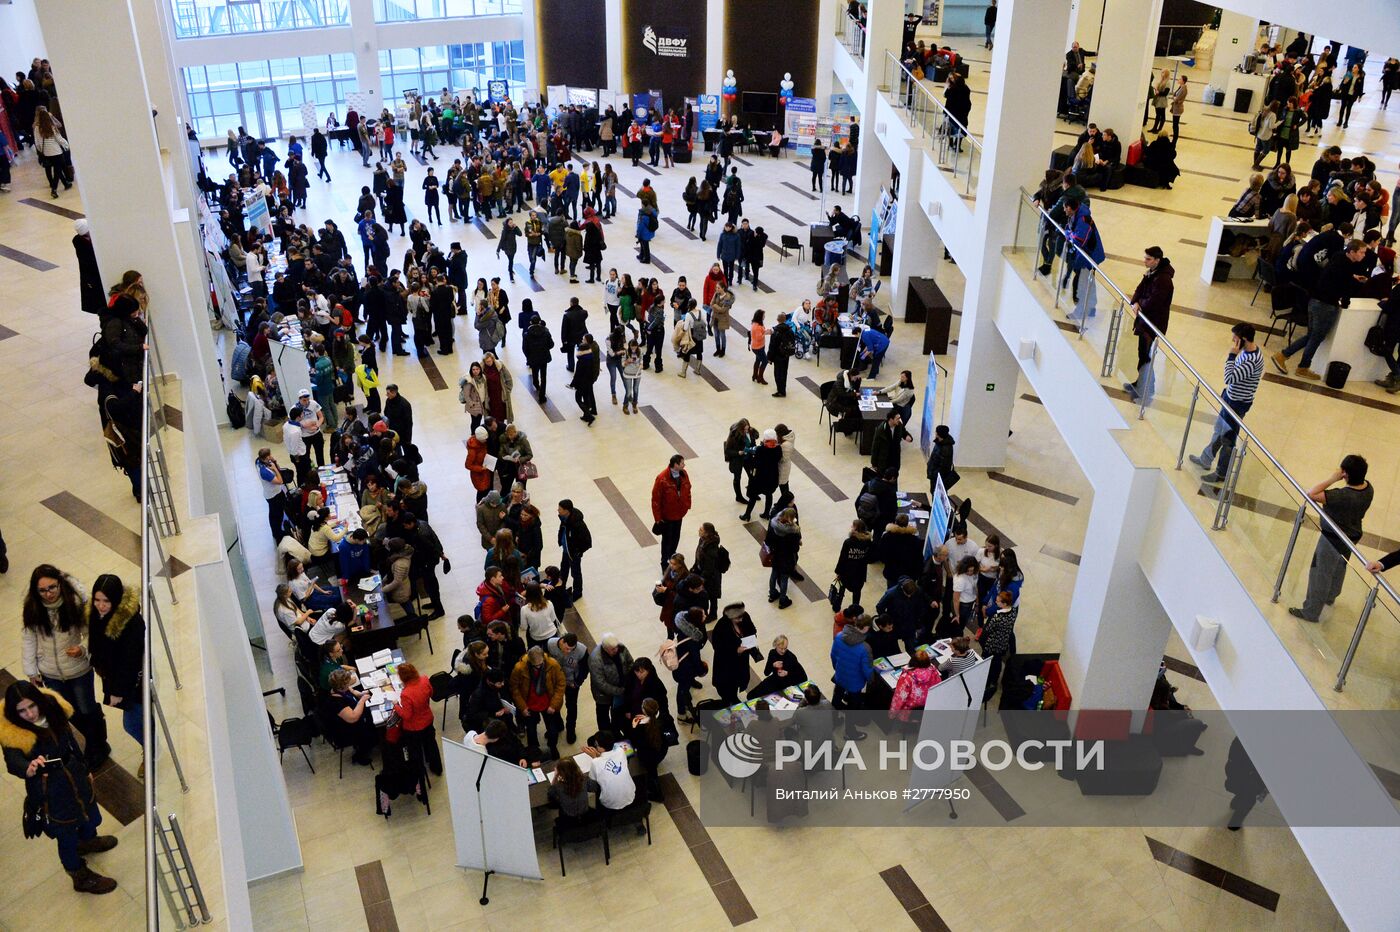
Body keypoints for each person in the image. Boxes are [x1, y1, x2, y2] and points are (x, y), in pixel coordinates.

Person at [1, 682, 119, 894]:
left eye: (32, 706)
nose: (28, 714)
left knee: (90, 814)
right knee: (66, 833)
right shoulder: (13, 733)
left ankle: (88, 841)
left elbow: (71, 741)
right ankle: (79, 875)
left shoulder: (54, 709)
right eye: (21, 710)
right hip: (50, 789)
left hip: (74, 773)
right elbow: (13, 761)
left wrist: (84, 767)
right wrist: (28, 767)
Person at [20, 568, 108, 767]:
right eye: (42, 590)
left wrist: (82, 649)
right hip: (50, 673)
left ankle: (98, 745)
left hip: (78, 670)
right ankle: (95, 743)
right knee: (69, 711)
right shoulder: (33, 609)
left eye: (52, 587)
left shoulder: (75, 604)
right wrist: (32, 671)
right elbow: (29, 639)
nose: (48, 593)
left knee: (86, 709)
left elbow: (91, 633)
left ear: (60, 584)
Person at [1289, 456, 1373, 623]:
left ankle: (1311, 611)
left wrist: (1332, 479)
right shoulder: (1368, 488)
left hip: (1332, 539)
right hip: (1352, 534)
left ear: (1346, 475)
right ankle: (1331, 595)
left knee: (1321, 573)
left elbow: (1312, 493)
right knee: (1340, 566)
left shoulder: (1342, 496)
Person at [1271, 239, 1368, 380]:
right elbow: (1344, 287)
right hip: (1326, 305)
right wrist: (1346, 301)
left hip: (1314, 301)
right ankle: (1302, 367)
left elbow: (1337, 276)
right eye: (1362, 252)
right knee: (1316, 337)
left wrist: (1352, 277)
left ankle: (1283, 355)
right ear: (1352, 252)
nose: (1364, 255)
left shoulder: (1338, 257)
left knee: (1311, 335)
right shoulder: (1347, 267)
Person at [1189, 324, 1262, 484]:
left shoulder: (1251, 360)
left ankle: (1221, 473)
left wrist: (1231, 356)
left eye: (1235, 338)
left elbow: (1229, 377)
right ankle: (1206, 458)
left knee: (1228, 438)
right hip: (1230, 398)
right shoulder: (1248, 352)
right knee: (1219, 430)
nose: (1232, 341)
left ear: (1243, 339)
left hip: (1237, 404)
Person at [86, 575, 144, 751]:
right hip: (118, 679)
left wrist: (117, 692)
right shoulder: (97, 616)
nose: (100, 605)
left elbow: (130, 661)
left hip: (135, 683)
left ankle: (151, 750)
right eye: (97, 600)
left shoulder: (132, 623)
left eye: (106, 601)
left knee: (132, 725)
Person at [1124, 247, 1174, 403]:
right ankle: (1141, 383)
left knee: (1145, 356)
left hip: (1152, 323)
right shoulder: (1152, 273)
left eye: (1148, 259)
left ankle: (1146, 391)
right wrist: (1135, 302)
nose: (1144, 261)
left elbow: (1155, 301)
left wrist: (1140, 305)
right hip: (1145, 320)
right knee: (1143, 354)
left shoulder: (1163, 279)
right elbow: (1140, 288)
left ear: (1157, 260)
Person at [510, 647, 566, 758]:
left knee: (552, 729)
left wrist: (554, 705)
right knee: (531, 730)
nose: (538, 667)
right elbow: (514, 688)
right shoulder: (519, 668)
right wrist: (523, 707)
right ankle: (534, 750)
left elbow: (561, 684)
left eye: (541, 664)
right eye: (535, 666)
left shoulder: (553, 664)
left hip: (548, 703)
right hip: (529, 705)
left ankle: (552, 746)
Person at [319, 668, 377, 765]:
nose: (350, 683)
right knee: (372, 732)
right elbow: (353, 717)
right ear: (342, 686)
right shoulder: (336, 703)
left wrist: (361, 694)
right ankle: (361, 756)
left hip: (355, 715)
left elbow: (353, 691)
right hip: (347, 729)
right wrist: (362, 700)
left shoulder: (340, 689)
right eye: (348, 682)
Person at [711, 603, 762, 704]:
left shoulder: (744, 616)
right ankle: (727, 699)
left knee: (738, 680)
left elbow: (752, 629)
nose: (741, 620)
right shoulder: (721, 626)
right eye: (737, 619)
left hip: (741, 659)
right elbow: (718, 647)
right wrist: (735, 650)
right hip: (726, 662)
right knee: (727, 683)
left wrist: (750, 639)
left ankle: (733, 697)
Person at [650, 454, 692, 570]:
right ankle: (665, 563)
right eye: (682, 463)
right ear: (676, 464)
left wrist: (687, 504)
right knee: (667, 540)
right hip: (667, 516)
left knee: (676, 537)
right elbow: (655, 500)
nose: (684, 465)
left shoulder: (684, 474)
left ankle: (673, 558)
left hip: (679, 513)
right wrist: (658, 518)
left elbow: (688, 488)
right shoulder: (662, 478)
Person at [588, 634, 634, 734]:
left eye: (616, 647)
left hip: (621, 689)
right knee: (603, 717)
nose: (616, 650)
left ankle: (617, 732)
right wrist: (619, 691)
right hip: (603, 695)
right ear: (605, 648)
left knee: (618, 714)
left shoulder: (621, 647)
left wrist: (629, 681)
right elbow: (601, 683)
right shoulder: (595, 659)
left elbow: (630, 663)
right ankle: (606, 737)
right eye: (613, 649)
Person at [741, 429, 782, 522]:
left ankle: (747, 515)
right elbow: (778, 459)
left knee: (753, 496)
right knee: (769, 494)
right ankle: (766, 513)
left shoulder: (761, 449)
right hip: (772, 476)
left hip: (759, 478)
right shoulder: (778, 448)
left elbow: (756, 463)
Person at [765, 508, 802, 609]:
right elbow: (795, 548)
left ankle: (772, 594)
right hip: (787, 558)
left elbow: (769, 540)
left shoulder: (774, 525)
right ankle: (782, 600)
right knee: (784, 578)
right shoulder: (793, 531)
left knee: (774, 575)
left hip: (776, 555)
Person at [890, 650, 942, 722]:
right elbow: (939, 685)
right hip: (928, 705)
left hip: (910, 710)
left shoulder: (907, 677)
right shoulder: (933, 670)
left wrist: (892, 713)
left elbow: (900, 697)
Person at [547, 756, 599, 826]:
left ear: (560, 773)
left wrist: (555, 777)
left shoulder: (558, 787)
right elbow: (594, 788)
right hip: (586, 813)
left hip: (568, 818)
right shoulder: (583, 780)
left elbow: (550, 794)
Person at [557, 499, 592, 600]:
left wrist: (579, 551)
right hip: (566, 550)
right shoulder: (564, 518)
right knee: (563, 570)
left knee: (575, 573)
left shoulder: (577, 523)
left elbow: (586, 540)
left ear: (566, 510)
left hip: (573, 553)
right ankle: (561, 588)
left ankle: (577, 592)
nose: (558, 510)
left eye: (560, 509)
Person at [870, 411, 913, 479]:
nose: (899, 420)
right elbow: (875, 447)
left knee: (893, 479)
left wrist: (907, 436)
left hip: (895, 459)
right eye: (897, 418)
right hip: (884, 460)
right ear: (891, 420)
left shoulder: (899, 425)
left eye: (899, 418)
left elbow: (904, 432)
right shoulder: (881, 430)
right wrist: (874, 463)